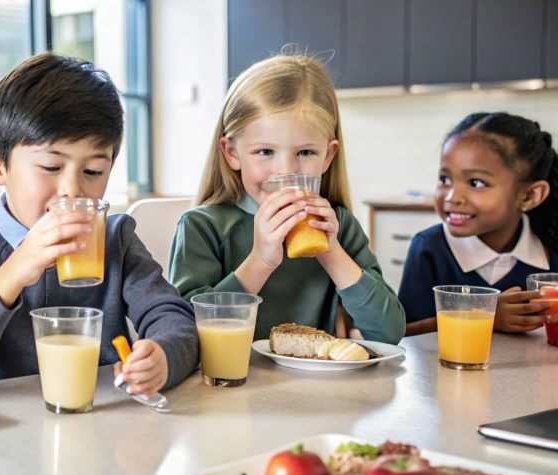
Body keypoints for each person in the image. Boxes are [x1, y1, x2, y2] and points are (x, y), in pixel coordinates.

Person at [0, 53, 199, 397]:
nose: (72, 190)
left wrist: (163, 356)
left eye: (93, 171)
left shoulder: (116, 238)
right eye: (52, 167)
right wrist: (13, 272)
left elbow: (175, 319)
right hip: (3, 436)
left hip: (102, 423)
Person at [168, 52, 405, 343]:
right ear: (232, 153)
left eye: (305, 152)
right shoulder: (202, 227)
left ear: (328, 156)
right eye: (265, 152)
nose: (286, 171)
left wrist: (331, 254)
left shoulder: (339, 225)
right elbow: (184, 334)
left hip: (315, 386)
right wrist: (259, 261)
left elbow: (389, 334)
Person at [399, 112, 558, 335]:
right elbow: (403, 333)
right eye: (445, 179)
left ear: (529, 196)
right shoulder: (430, 248)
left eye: (476, 182)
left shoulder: (550, 251)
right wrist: (484, 316)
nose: (453, 197)